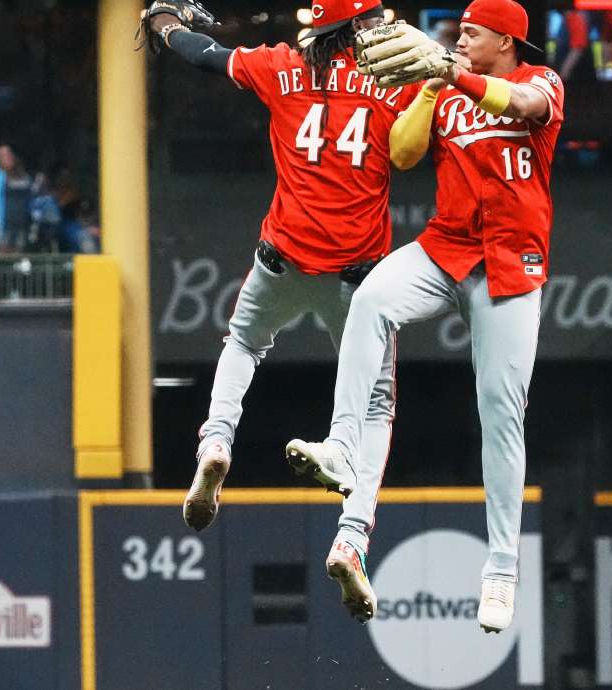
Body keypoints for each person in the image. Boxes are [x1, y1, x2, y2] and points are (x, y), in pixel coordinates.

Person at [285, 0, 564, 633]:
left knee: (500, 411)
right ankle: (341, 446)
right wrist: (430, 88)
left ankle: (500, 569)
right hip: (447, 247)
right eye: (458, 30)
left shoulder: (538, 82)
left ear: (506, 39)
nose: (459, 36)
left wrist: (451, 71)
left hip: (510, 264)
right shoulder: (449, 85)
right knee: (371, 300)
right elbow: (403, 154)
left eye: (472, 31)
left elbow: (519, 109)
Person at [141, 0, 421, 619]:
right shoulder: (389, 82)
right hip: (357, 279)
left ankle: (216, 443)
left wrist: (164, 22)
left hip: (282, 258)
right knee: (376, 406)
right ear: (358, 28)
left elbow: (204, 55)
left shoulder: (281, 63)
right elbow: (419, 143)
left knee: (242, 345)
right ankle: (352, 537)